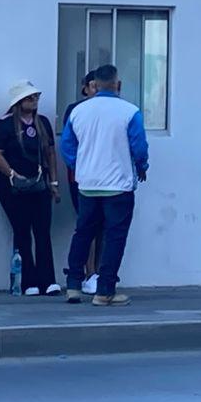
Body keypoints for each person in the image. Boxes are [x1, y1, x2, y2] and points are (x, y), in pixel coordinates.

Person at [61, 64, 149, 306]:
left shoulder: (79, 112)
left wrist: (80, 166)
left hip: (88, 184)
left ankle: (74, 285)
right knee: (114, 237)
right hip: (118, 185)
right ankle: (105, 290)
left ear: (95, 85)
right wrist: (142, 166)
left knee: (83, 233)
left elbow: (67, 146)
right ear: (118, 84)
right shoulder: (130, 112)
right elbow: (139, 147)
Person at [0, 81, 62, 296]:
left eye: (35, 97)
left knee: (42, 231)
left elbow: (50, 152)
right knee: (22, 231)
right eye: (29, 98)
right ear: (19, 102)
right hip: (13, 186)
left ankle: (48, 280)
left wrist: (53, 182)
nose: (34, 101)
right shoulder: (4, 124)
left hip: (39, 183)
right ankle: (28, 281)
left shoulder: (42, 122)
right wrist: (12, 173)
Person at [62, 71, 103, 294]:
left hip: (106, 176)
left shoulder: (113, 109)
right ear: (85, 88)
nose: (96, 90)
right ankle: (87, 272)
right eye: (92, 86)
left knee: (105, 225)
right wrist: (79, 166)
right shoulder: (75, 110)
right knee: (87, 222)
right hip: (82, 176)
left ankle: (98, 272)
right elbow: (68, 144)